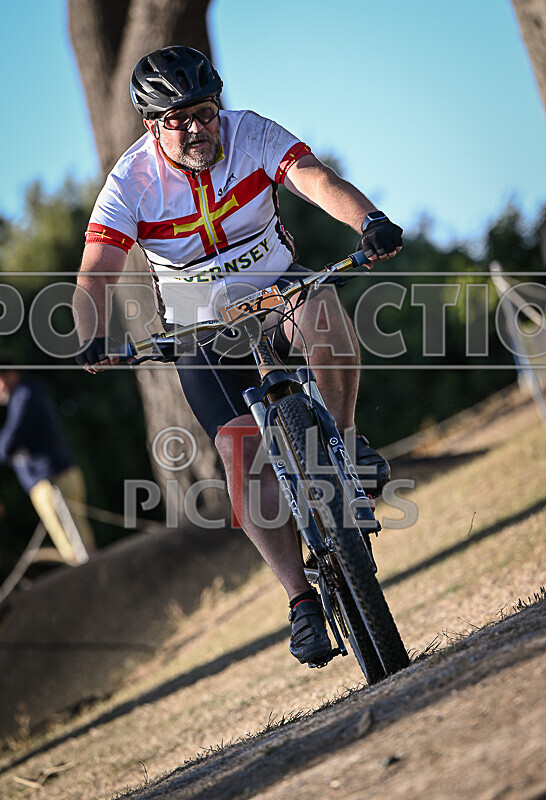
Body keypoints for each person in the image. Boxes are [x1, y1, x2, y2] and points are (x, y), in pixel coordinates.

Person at [73, 46, 403, 666]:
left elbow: (316, 180)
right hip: (202, 329)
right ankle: (301, 600)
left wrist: (370, 220)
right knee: (242, 455)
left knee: (326, 315)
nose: (197, 129)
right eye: (178, 119)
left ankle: (345, 447)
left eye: (204, 112)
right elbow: (96, 271)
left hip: (280, 293)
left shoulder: (251, 133)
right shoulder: (130, 183)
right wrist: (89, 332)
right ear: (153, 125)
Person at [0, 362, 95, 566]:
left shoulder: (25, 396)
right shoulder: (27, 395)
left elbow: (7, 446)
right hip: (52, 480)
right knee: (73, 548)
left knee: (79, 548)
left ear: (11, 374)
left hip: (53, 481)